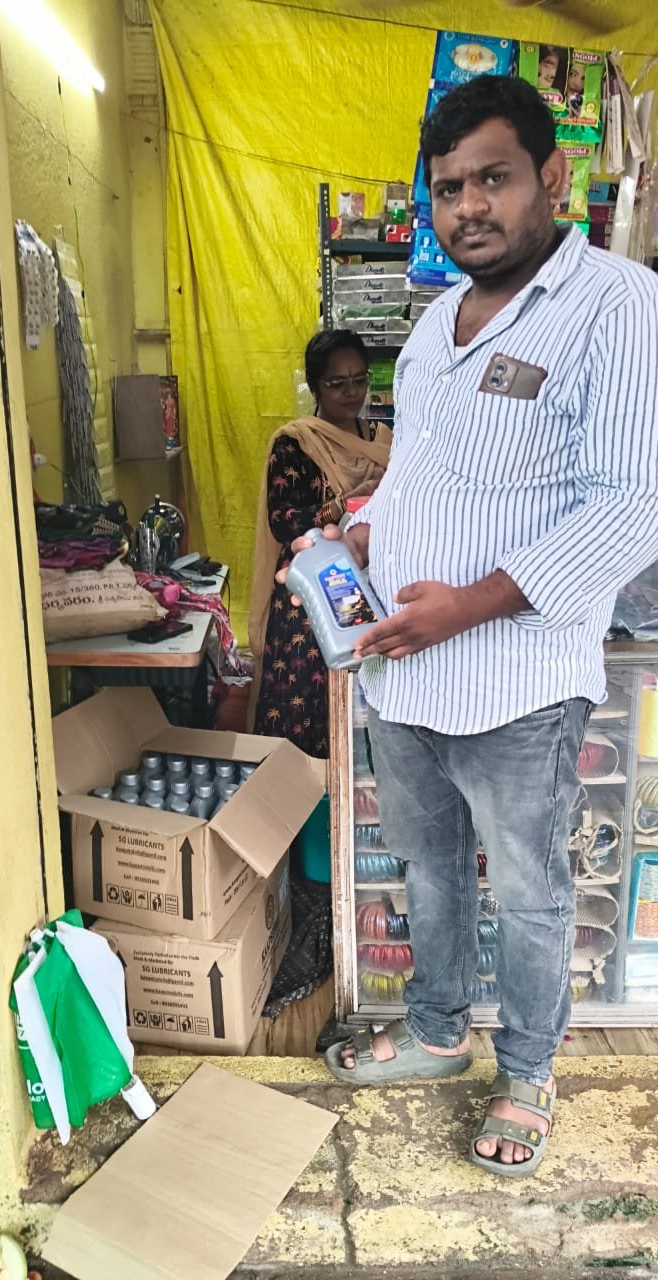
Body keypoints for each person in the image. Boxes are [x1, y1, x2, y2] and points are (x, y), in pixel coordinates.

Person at [282, 75, 658, 1176]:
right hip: (403, 672)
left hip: (518, 675)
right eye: (447, 187)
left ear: (552, 178)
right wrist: (361, 533)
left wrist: (468, 605)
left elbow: (633, 502)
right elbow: (419, 473)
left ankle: (530, 1071)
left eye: (492, 178)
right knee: (432, 869)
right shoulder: (441, 316)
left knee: (533, 887)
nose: (467, 207)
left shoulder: (618, 304)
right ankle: (442, 1027)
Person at [248, 330, 390, 757]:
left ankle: (357, 814)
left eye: (359, 380)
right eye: (336, 383)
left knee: (368, 718)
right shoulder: (295, 443)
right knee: (304, 720)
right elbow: (283, 519)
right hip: (311, 597)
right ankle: (299, 816)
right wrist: (348, 507)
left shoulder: (385, 439)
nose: (351, 392)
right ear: (314, 386)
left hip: (375, 589)